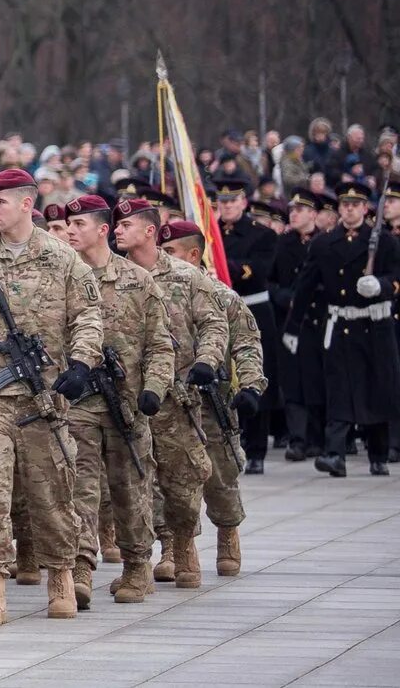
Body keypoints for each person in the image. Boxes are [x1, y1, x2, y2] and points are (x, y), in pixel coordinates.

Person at [0, 168, 102, 626]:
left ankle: (60, 575)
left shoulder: (63, 259)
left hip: (44, 395)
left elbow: (89, 316)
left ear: (26, 205)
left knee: (52, 491)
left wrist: (81, 364)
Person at [62, 195, 173, 606]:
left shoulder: (138, 281)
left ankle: (136, 565)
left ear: (102, 230)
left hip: (126, 406)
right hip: (77, 405)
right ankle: (80, 569)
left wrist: (154, 390)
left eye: (79, 224)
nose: (70, 231)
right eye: (67, 224)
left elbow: (160, 345)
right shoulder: (64, 276)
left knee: (130, 489)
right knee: (79, 488)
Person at [113, 198, 227, 588]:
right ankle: (149, 556)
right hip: (128, 398)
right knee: (135, 482)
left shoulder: (185, 276)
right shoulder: (112, 276)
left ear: (150, 230)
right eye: (115, 224)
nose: (116, 230)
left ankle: (184, 542)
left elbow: (214, 324)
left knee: (181, 481)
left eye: (126, 224)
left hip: (176, 398)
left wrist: (206, 362)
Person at [159, 219, 267, 575]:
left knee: (220, 475)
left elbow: (247, 343)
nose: (163, 257)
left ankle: (227, 531)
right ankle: (176, 546)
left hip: (211, 397)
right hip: (169, 398)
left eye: (171, 251)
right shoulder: (154, 288)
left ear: (192, 255)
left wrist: (251, 386)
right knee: (170, 478)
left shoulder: (221, 295)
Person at [291, 179, 400, 477]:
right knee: (338, 391)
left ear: (366, 209)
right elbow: (306, 287)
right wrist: (292, 327)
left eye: (356, 205)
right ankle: (334, 453)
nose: (350, 210)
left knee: (375, 390)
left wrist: (382, 285)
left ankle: (378, 454)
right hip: (341, 325)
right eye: (345, 205)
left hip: (374, 324)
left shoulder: (386, 242)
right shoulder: (324, 243)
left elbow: (396, 276)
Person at [214, 176, 280, 473]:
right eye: (222, 202)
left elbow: (253, 272)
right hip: (218, 312)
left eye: (232, 201)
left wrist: (218, 263)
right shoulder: (211, 231)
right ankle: (229, 441)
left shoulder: (262, 234)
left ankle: (256, 450)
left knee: (254, 376)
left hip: (252, 310)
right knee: (222, 378)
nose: (226, 207)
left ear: (243, 202)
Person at [274, 188, 324, 460]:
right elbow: (269, 281)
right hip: (290, 321)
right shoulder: (283, 243)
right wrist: (285, 298)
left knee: (317, 381)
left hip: (315, 320)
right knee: (292, 383)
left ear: (313, 215)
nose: (293, 214)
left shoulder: (324, 242)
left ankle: (318, 438)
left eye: (300, 210)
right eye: (291, 210)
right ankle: (298, 439)